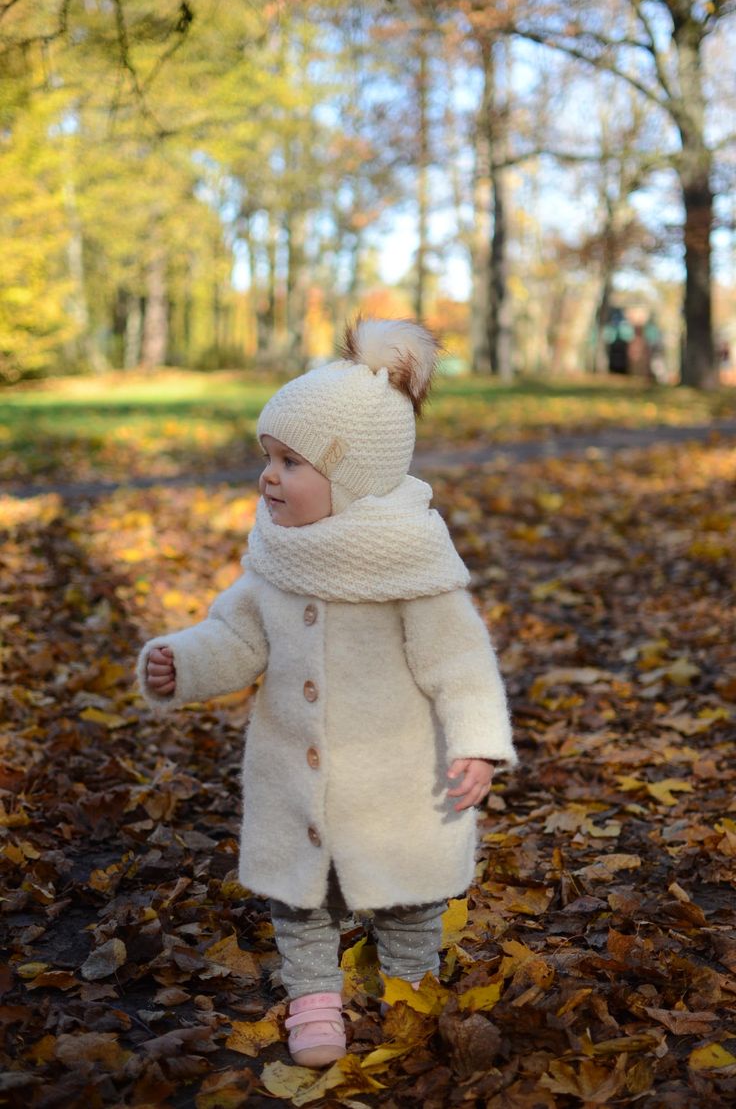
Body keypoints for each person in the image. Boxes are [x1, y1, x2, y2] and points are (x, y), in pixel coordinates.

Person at [137, 318, 517, 1067]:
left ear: (349, 478)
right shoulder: (274, 558)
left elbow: (461, 660)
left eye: (290, 462)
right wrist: (182, 661)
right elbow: (236, 636)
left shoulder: (407, 562)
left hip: (397, 777)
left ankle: (409, 983)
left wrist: (476, 741)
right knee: (300, 903)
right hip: (296, 777)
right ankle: (315, 1000)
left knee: (410, 898)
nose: (268, 477)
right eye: (266, 458)